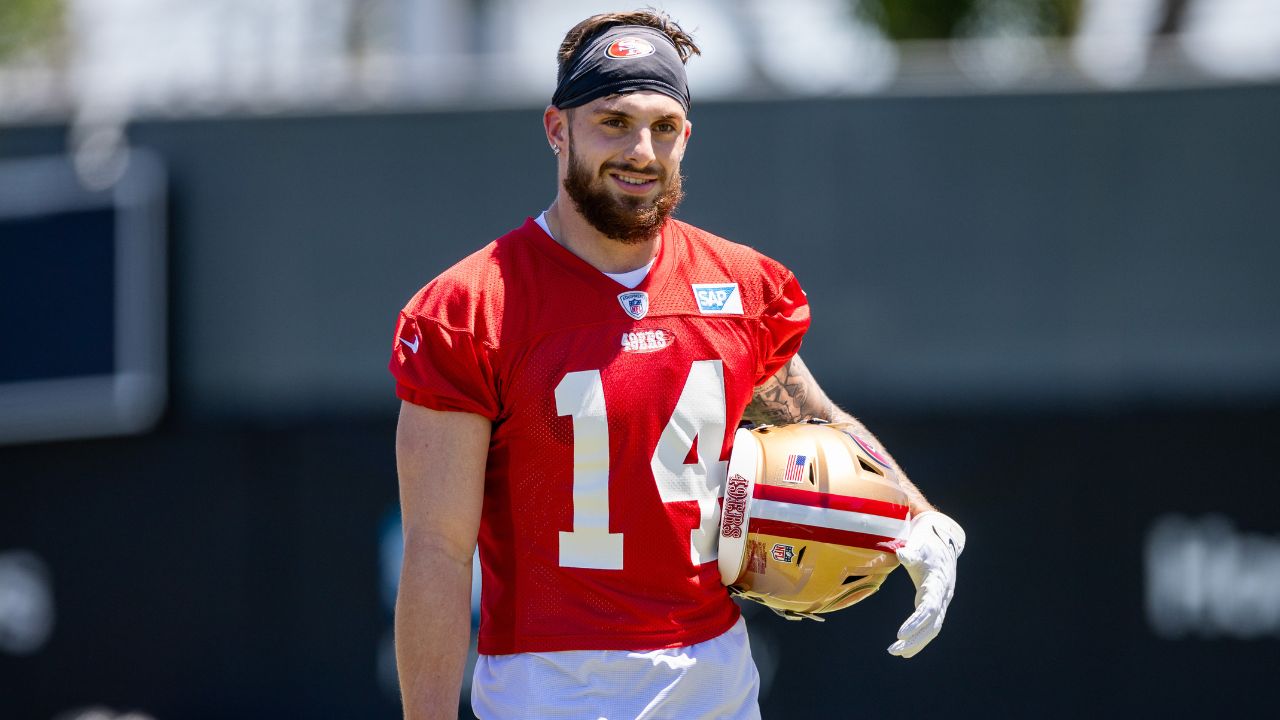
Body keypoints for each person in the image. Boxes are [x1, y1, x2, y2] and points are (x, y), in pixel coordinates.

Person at [390, 10, 965, 719]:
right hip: (549, 688)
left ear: (686, 138)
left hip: (713, 681)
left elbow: (816, 418)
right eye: (613, 121)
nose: (640, 149)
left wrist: (919, 516)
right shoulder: (471, 308)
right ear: (555, 128)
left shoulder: (738, 286)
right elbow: (438, 553)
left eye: (663, 127)